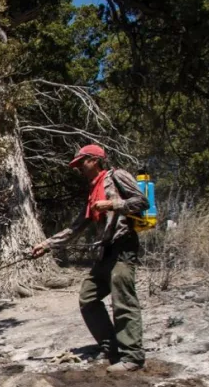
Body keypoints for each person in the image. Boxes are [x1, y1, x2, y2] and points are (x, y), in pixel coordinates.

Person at [30, 144, 149, 373]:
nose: (79, 169)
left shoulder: (117, 176)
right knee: (88, 296)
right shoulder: (93, 191)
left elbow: (142, 202)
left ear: (94, 160)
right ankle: (111, 347)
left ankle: (133, 357)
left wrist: (113, 204)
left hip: (123, 247)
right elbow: (75, 228)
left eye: (81, 163)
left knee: (122, 299)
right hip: (106, 252)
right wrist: (46, 245)